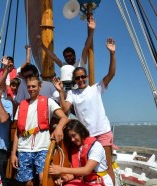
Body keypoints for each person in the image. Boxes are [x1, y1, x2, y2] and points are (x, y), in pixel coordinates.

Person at [52, 38, 116, 184]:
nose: (80, 79)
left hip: (102, 132)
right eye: (77, 78)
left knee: (107, 168)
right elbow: (65, 109)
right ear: (74, 80)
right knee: (86, 168)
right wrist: (61, 92)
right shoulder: (72, 94)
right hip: (86, 135)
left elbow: (111, 74)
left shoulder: (96, 88)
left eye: (83, 77)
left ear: (86, 77)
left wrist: (112, 54)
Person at [11, 76, 69, 186]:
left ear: (40, 87)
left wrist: (58, 128)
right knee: (27, 182)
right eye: (29, 87)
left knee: (43, 179)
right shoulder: (21, 105)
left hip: (42, 147)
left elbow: (64, 117)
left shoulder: (49, 102)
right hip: (23, 148)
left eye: (34, 86)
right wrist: (14, 153)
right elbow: (17, 132)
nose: (31, 89)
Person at [49, 120, 113, 186]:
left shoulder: (95, 146)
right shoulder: (76, 149)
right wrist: (65, 178)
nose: (72, 139)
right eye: (70, 137)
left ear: (81, 132)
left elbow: (86, 170)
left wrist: (61, 169)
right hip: (85, 182)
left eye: (74, 135)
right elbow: (75, 173)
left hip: (98, 182)